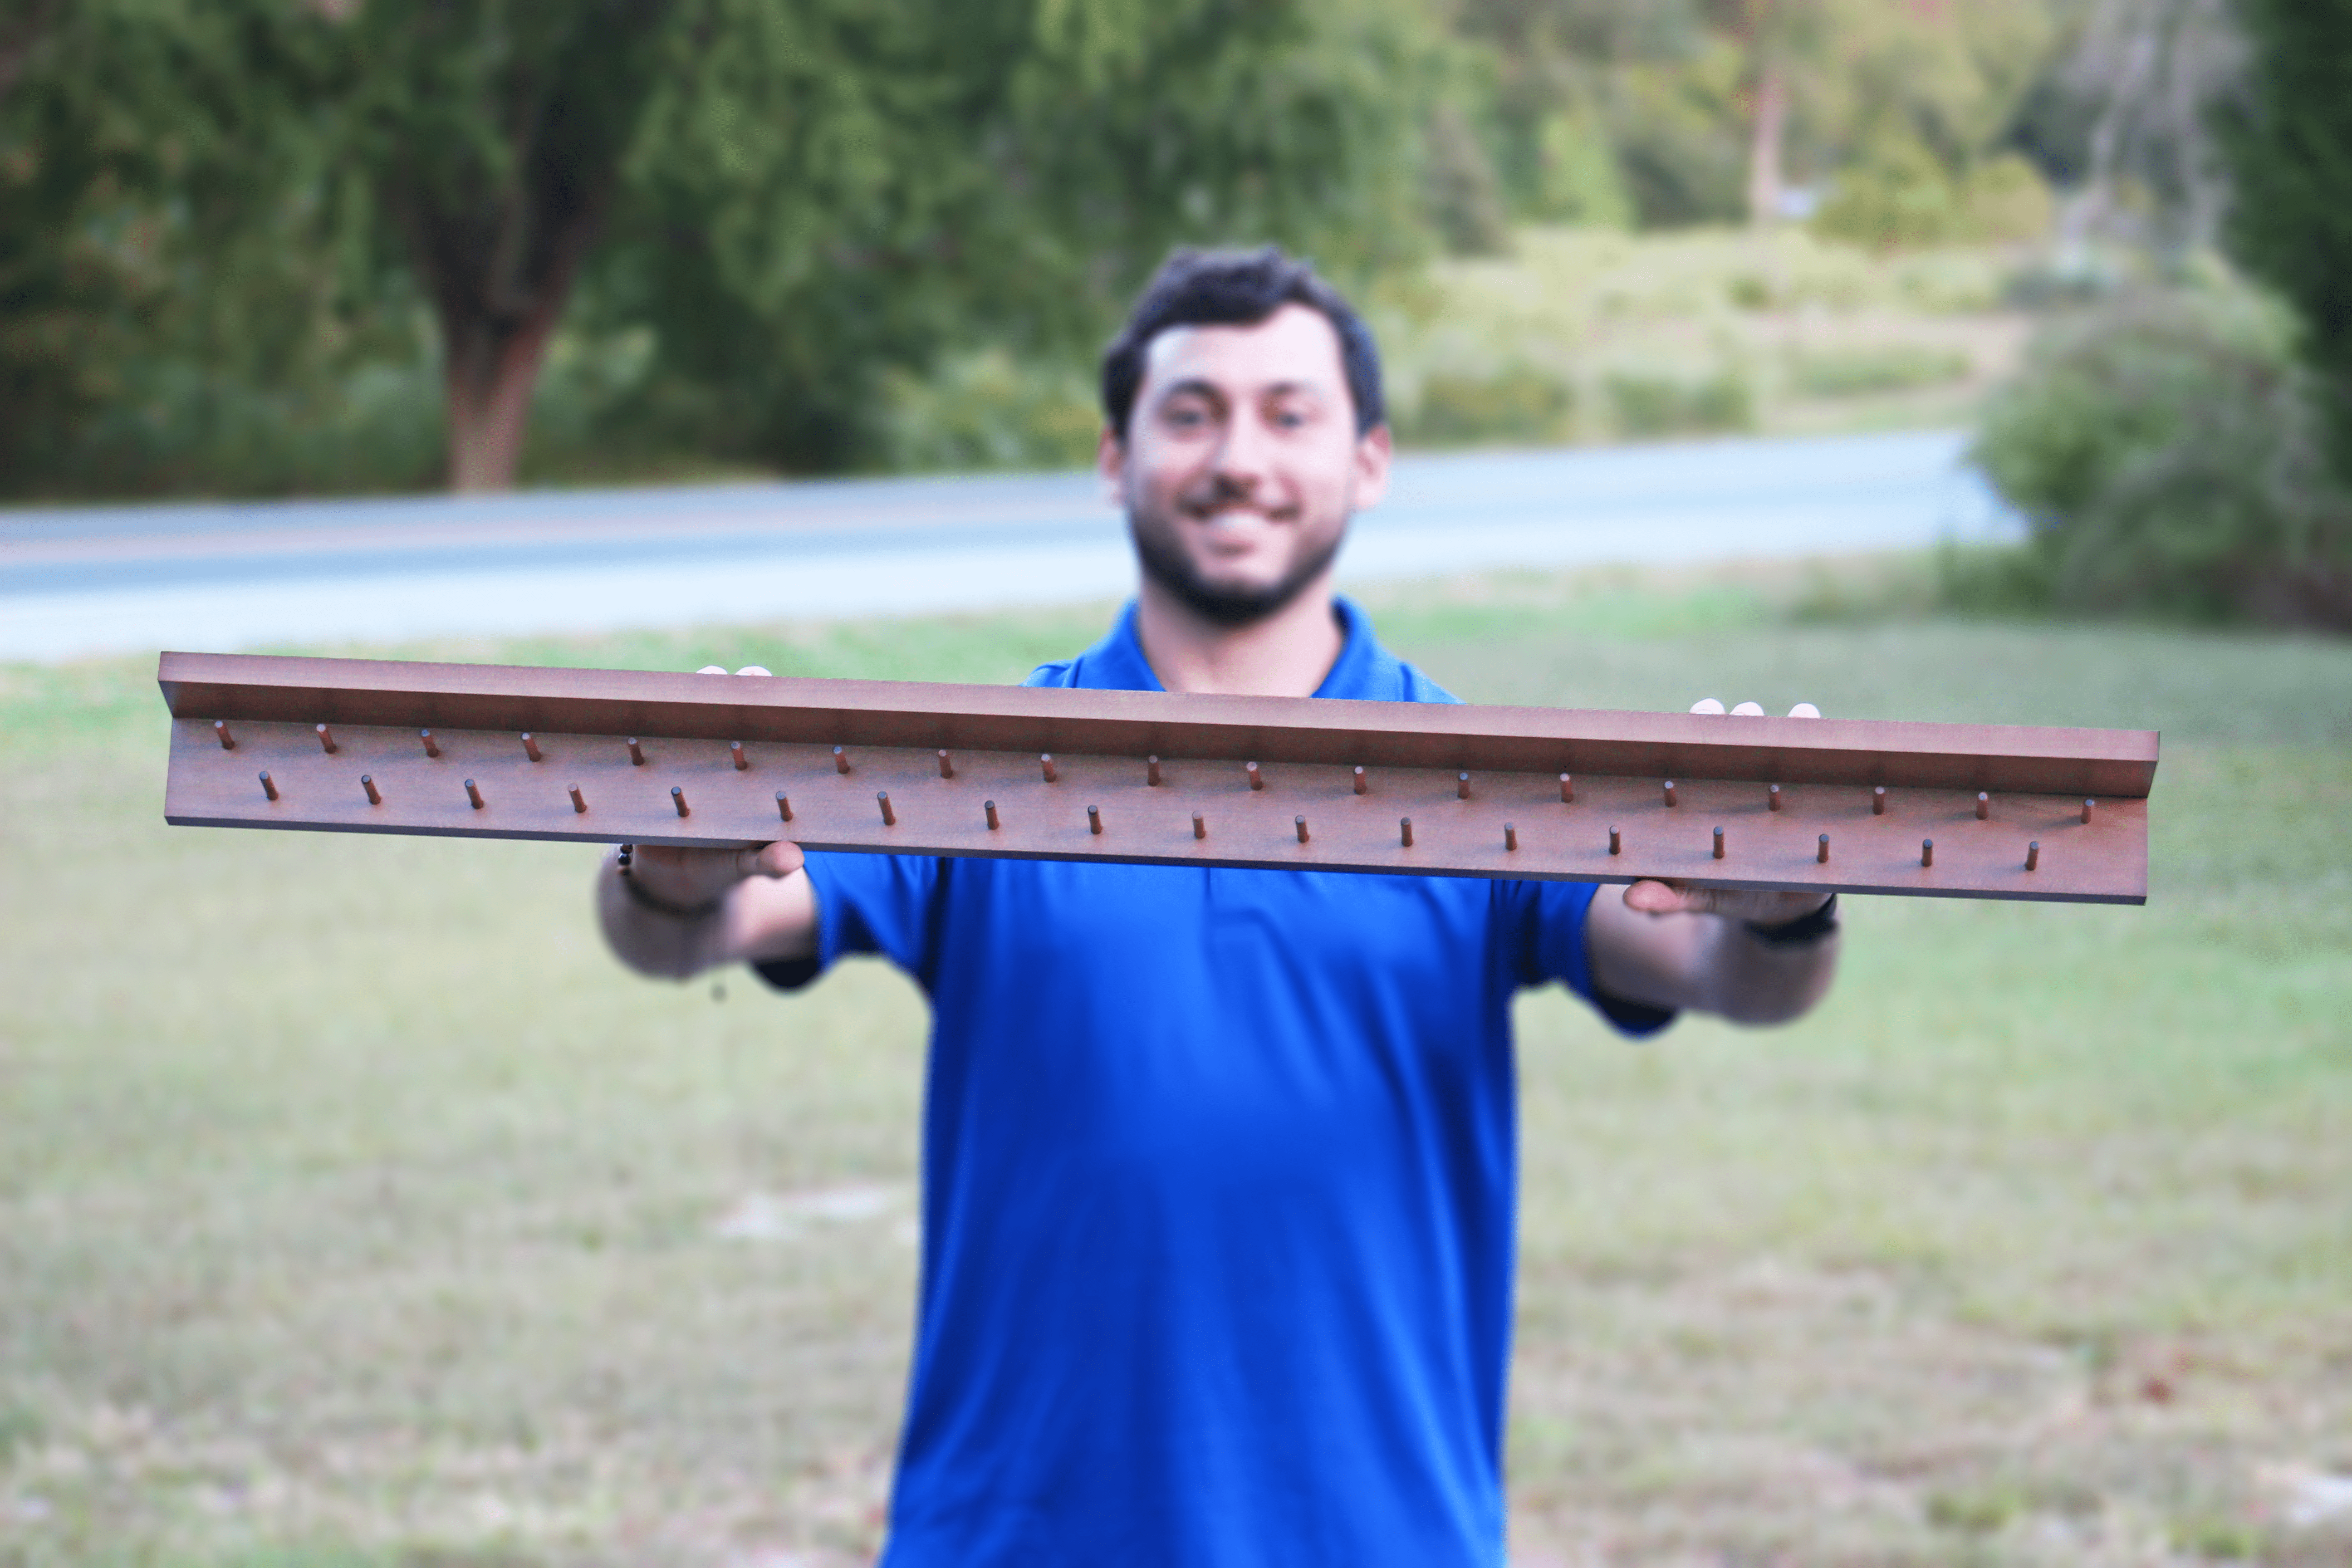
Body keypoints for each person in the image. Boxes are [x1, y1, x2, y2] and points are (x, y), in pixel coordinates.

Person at [598, 247, 1841, 1566]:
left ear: (1369, 461)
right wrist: (673, 870)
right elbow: (702, 933)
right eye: (1191, 413)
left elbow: (1728, 970)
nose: (1238, 456)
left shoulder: (1476, 783)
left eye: (1288, 413)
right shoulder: (987, 764)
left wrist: (1779, 907)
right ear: (1113, 458)